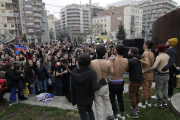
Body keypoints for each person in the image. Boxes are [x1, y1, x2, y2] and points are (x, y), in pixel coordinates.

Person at [71, 53, 107, 120]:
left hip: (79, 98)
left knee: (83, 115)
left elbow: (72, 88)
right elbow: (95, 87)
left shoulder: (73, 72)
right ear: (89, 62)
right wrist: (102, 82)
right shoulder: (92, 73)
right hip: (89, 98)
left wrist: (73, 100)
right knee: (90, 111)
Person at [89, 44, 114, 120]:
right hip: (105, 84)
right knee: (107, 102)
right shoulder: (108, 62)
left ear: (96, 53)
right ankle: (111, 116)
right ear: (104, 53)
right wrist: (111, 62)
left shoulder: (92, 63)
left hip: (96, 85)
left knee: (98, 105)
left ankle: (100, 119)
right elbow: (112, 73)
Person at [109, 45, 128, 120]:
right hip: (120, 81)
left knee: (112, 99)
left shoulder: (112, 59)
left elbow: (109, 70)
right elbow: (126, 69)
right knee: (120, 98)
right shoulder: (126, 60)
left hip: (113, 81)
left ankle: (115, 115)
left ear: (116, 51)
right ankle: (122, 115)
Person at [134, 40, 155, 108]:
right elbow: (152, 64)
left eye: (144, 44)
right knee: (149, 88)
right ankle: (149, 102)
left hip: (145, 73)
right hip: (151, 73)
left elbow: (147, 63)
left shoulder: (145, 53)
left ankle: (143, 104)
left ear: (146, 46)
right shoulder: (152, 54)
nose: (143, 45)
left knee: (144, 89)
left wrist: (138, 59)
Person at [127, 47, 143, 119]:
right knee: (136, 94)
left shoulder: (131, 60)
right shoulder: (138, 59)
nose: (128, 52)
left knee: (132, 95)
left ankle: (134, 113)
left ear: (132, 53)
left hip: (134, 81)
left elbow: (126, 69)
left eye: (129, 51)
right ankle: (137, 107)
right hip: (140, 80)